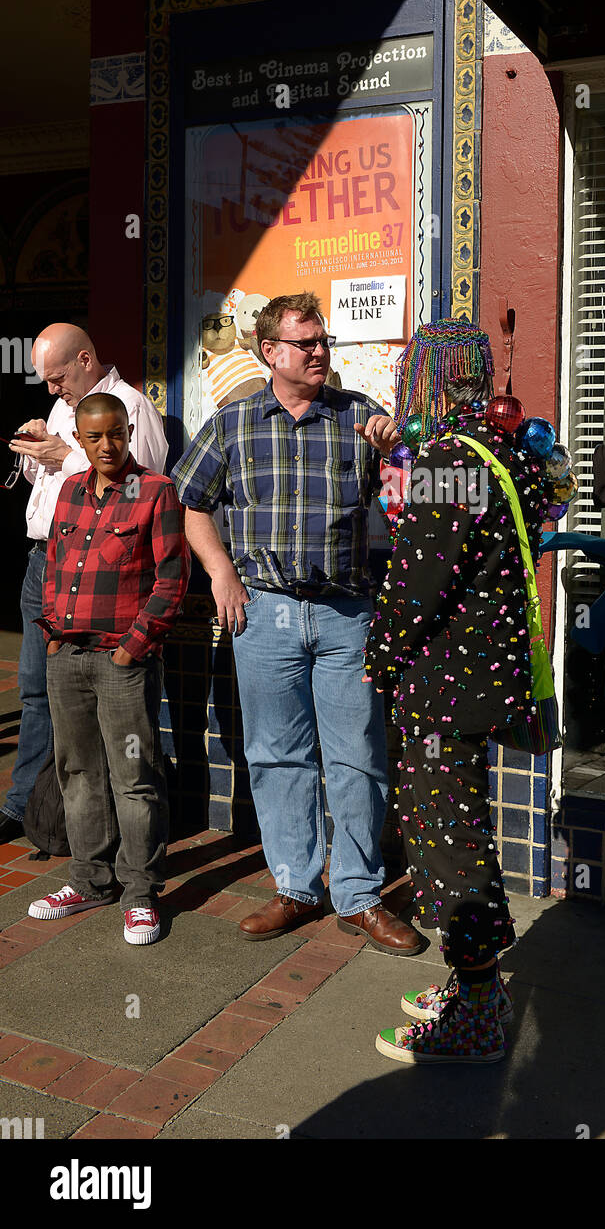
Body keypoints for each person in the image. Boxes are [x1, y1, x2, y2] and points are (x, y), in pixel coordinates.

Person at [171, 291, 422, 953]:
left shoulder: (360, 418)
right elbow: (191, 503)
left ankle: (359, 895)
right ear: (269, 351)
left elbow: (412, 505)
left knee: (357, 756)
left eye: (322, 341)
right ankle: (295, 888)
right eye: (304, 343)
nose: (318, 352)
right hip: (264, 613)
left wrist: (397, 456)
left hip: (346, 614)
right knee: (277, 756)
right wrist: (221, 573)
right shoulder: (231, 425)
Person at [365, 318, 552, 1065]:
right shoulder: (503, 449)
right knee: (459, 826)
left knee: (447, 841)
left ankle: (474, 1011)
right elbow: (537, 522)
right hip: (488, 675)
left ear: (430, 378)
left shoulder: (444, 458)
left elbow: (417, 583)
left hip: (444, 686)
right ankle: (473, 984)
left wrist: (378, 660)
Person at [26, 394, 189, 944]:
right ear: (79, 436)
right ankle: (89, 880)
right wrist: (51, 633)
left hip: (123, 661)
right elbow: (53, 565)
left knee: (135, 779)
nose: (107, 446)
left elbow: (172, 580)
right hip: (67, 656)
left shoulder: (155, 492)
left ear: (126, 430)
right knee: (78, 772)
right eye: (94, 437)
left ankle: (141, 894)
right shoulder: (69, 490)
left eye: (115, 434)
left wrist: (132, 648)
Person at [0, 325, 169, 844]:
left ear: (87, 359)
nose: (52, 390)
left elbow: (142, 482)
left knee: (96, 701)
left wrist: (67, 456)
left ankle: (99, 827)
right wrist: (38, 453)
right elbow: (49, 484)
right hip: (43, 563)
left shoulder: (130, 406)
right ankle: (27, 805)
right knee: (34, 691)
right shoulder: (61, 408)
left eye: (57, 378)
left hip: (99, 574)